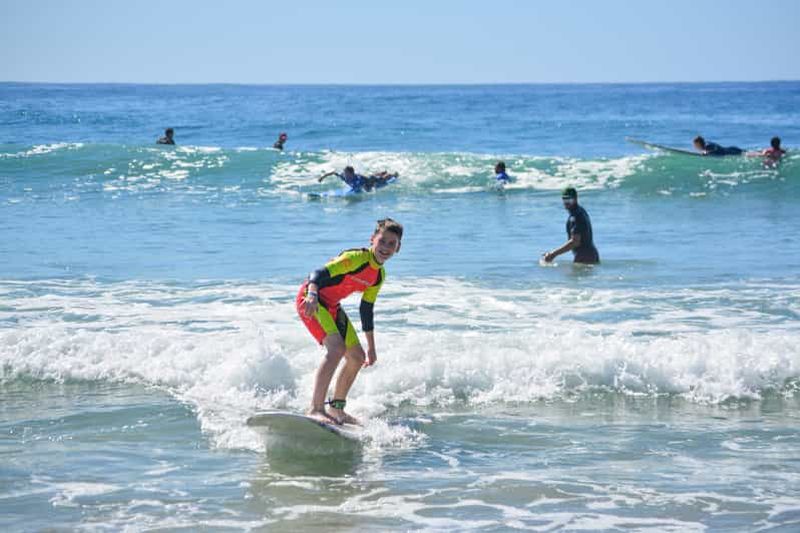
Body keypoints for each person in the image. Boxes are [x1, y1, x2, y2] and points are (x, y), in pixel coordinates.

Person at [297, 218, 403, 425]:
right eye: (382, 241)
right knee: (336, 349)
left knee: (357, 357)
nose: (386, 247)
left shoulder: (379, 275)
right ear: (372, 239)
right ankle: (315, 408)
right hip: (312, 299)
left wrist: (371, 348)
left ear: (398, 248)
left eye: (392, 244)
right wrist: (311, 295)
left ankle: (337, 409)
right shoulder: (356, 258)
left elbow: (366, 309)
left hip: (332, 307)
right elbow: (318, 273)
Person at [543, 187, 599, 265]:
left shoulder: (575, 217)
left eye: (569, 200)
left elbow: (575, 242)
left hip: (584, 256)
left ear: (575, 199)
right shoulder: (580, 211)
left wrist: (553, 254)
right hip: (591, 255)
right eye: (564, 199)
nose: (566, 202)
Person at [318, 166, 398, 193]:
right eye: (344, 173)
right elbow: (333, 173)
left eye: (347, 174)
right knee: (372, 175)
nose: (345, 175)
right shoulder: (343, 176)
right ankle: (382, 172)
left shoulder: (358, 179)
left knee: (381, 180)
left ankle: (393, 175)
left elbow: (363, 187)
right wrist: (322, 177)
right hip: (366, 179)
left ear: (352, 173)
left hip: (369, 182)